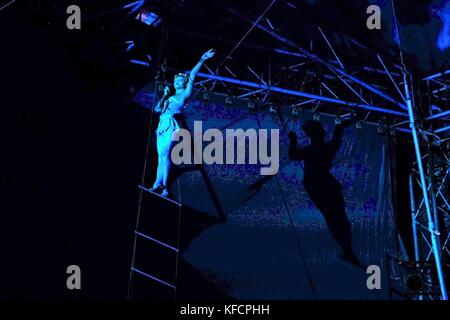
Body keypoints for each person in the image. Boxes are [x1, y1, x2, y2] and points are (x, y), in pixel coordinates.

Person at [288, 116, 362, 267]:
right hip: (319, 184)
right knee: (336, 217)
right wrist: (358, 115)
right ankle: (348, 250)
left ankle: (348, 250)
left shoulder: (319, 149)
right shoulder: (325, 148)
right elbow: (339, 128)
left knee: (336, 217)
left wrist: (293, 140)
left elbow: (293, 155)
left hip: (320, 184)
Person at [151, 49, 216, 197]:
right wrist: (165, 95)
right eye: (175, 80)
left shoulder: (184, 94)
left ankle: (165, 187)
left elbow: (192, 74)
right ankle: (157, 183)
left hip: (171, 125)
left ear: (185, 82)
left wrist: (202, 59)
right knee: (161, 156)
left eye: (179, 80)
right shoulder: (170, 96)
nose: (176, 81)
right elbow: (157, 109)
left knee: (165, 154)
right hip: (161, 125)